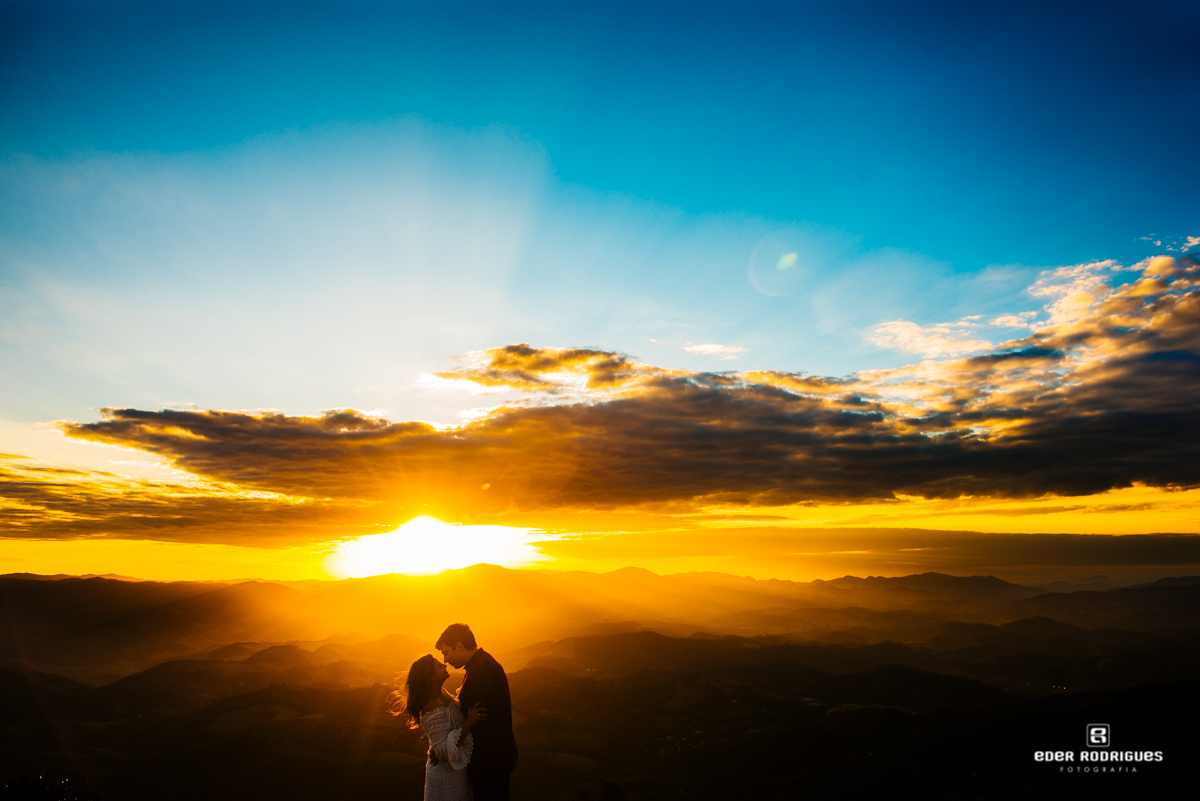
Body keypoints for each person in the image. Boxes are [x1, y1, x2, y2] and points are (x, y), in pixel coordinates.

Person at [437, 623, 518, 801]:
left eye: (446, 652)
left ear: (459, 646)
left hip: (489, 761)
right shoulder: (480, 665)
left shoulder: (482, 670)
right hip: (492, 759)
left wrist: (452, 745)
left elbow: (479, 720)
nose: (445, 660)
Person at [390, 653, 486, 801]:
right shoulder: (432, 709)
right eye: (439, 666)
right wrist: (468, 723)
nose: (445, 664)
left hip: (455, 773)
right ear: (431, 678)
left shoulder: (441, 694)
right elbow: (442, 751)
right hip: (445, 779)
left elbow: (441, 742)